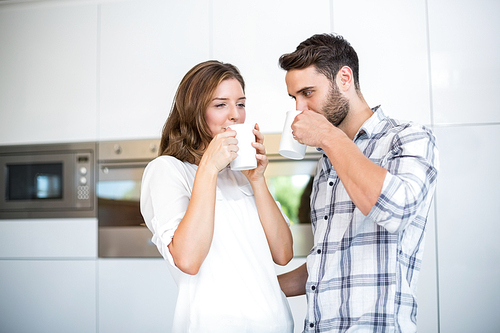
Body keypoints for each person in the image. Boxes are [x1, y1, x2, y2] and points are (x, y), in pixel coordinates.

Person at [277, 33, 439, 332]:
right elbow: (326, 263)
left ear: (345, 78)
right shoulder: (327, 161)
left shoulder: (408, 138)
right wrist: (258, 287)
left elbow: (395, 211)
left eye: (308, 92)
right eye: (294, 98)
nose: (300, 108)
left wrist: (327, 136)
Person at [140, 60, 294, 333]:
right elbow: (188, 259)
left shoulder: (243, 176)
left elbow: (283, 254)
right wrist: (208, 168)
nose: (235, 114)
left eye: (241, 104)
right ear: (195, 112)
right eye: (220, 104)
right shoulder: (167, 170)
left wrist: (258, 181)